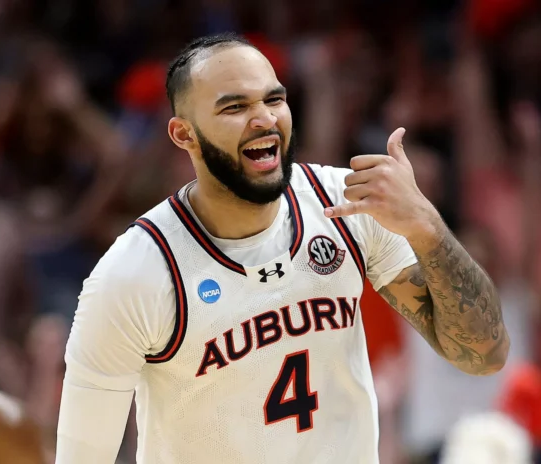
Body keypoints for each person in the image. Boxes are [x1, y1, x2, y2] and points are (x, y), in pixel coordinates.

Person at [55, 32, 510, 463]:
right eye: (235, 106)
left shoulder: (348, 206)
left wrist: (428, 227)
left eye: (274, 99)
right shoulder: (135, 272)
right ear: (184, 134)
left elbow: (484, 354)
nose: (265, 119)